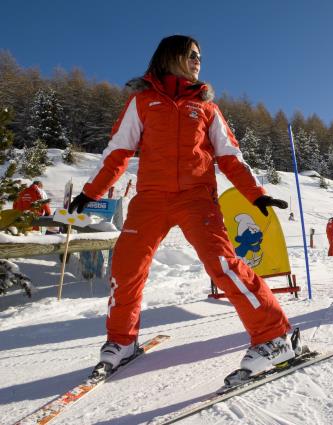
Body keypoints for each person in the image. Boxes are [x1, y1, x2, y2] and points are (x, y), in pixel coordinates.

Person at [68, 35, 293, 376]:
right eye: (191, 54)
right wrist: (91, 192)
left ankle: (276, 337)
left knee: (223, 265)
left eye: (200, 55)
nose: (197, 60)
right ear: (170, 57)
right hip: (151, 199)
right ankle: (122, 340)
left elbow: (231, 158)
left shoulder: (206, 107)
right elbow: (118, 151)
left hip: (196, 199)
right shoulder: (142, 101)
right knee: (126, 267)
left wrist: (255, 193)